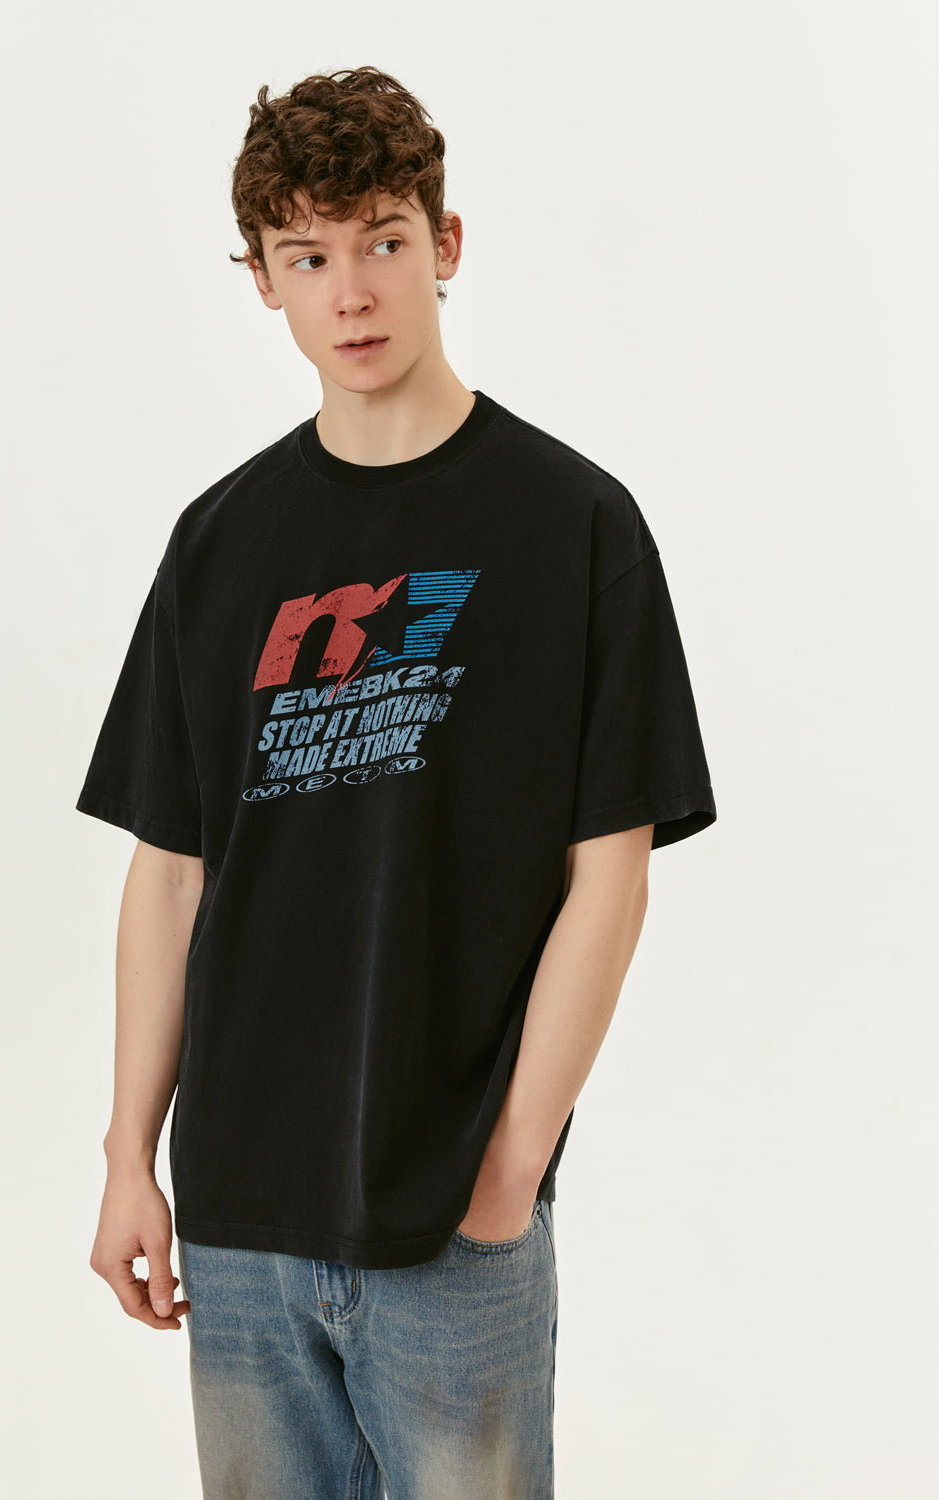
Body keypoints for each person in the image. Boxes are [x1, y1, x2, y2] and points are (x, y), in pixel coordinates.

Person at [77, 64, 717, 1499]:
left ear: (446, 243)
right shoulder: (217, 543)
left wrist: (511, 1167)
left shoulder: (574, 525)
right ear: (263, 283)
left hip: (454, 1211)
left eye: (381, 238)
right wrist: (130, 1156)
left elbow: (609, 878)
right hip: (241, 1210)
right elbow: (169, 873)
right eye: (307, 256)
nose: (352, 291)